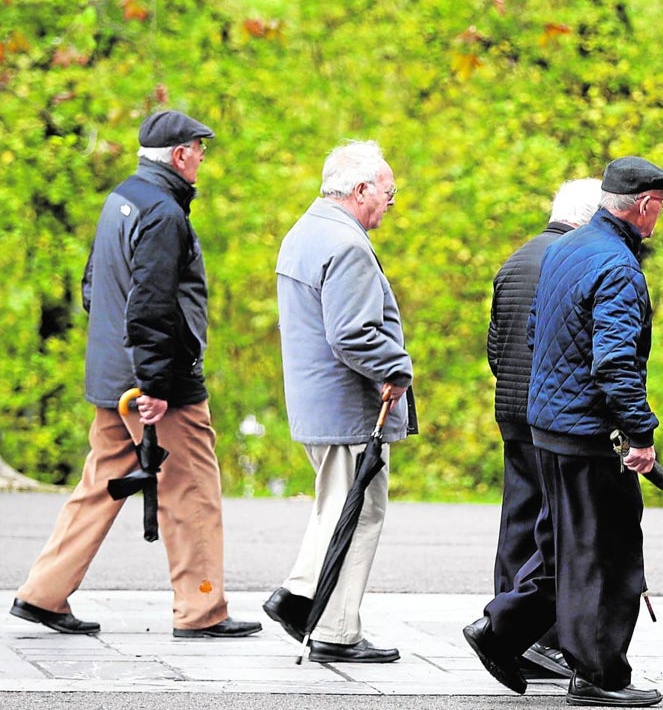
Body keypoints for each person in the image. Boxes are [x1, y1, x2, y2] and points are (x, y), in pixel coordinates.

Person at [10, 110, 262, 639]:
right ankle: (201, 610)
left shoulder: (120, 199)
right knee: (191, 489)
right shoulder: (165, 215)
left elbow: (92, 286)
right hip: (155, 384)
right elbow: (151, 307)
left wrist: (121, 363)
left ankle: (43, 593)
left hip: (112, 373)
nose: (201, 159)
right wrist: (155, 384)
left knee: (101, 482)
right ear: (178, 155)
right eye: (199, 150)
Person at [463, 156, 663, 708]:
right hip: (590, 434)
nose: (661, 215)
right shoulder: (619, 267)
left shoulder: (565, 250)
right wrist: (640, 434)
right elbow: (614, 364)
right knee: (607, 555)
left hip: (549, 429)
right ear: (646, 204)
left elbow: (537, 334)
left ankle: (500, 632)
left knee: (562, 549)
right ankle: (600, 675)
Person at [263, 140, 414, 664]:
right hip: (347, 408)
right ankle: (331, 625)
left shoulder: (304, 233)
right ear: (361, 189)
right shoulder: (345, 244)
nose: (391, 204)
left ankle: (303, 600)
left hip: (316, 403)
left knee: (339, 506)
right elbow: (352, 334)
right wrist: (396, 368)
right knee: (359, 512)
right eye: (389, 193)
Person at [486, 178, 602, 680]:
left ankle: (507, 633)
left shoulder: (515, 259)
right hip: (551, 416)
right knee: (557, 528)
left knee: (518, 521)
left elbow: (495, 343)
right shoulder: (572, 261)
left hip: (510, 408)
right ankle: (543, 640)